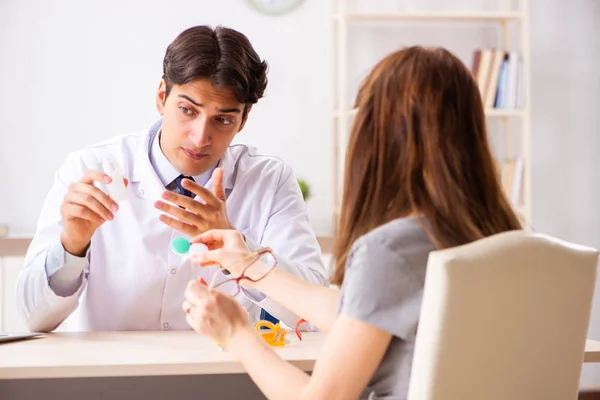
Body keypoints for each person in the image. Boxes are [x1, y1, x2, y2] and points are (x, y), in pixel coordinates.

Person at [182, 46, 523, 399]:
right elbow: (354, 313)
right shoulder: (504, 238)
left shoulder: (391, 251)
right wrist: (247, 265)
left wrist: (238, 333)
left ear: (378, 135)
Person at [16, 25, 326, 333]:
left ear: (243, 120)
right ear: (162, 96)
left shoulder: (268, 181)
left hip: (220, 378)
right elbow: (33, 319)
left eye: (223, 120)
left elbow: (314, 316)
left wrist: (239, 250)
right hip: (107, 378)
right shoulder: (90, 167)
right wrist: (72, 244)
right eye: (188, 110)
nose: (200, 137)